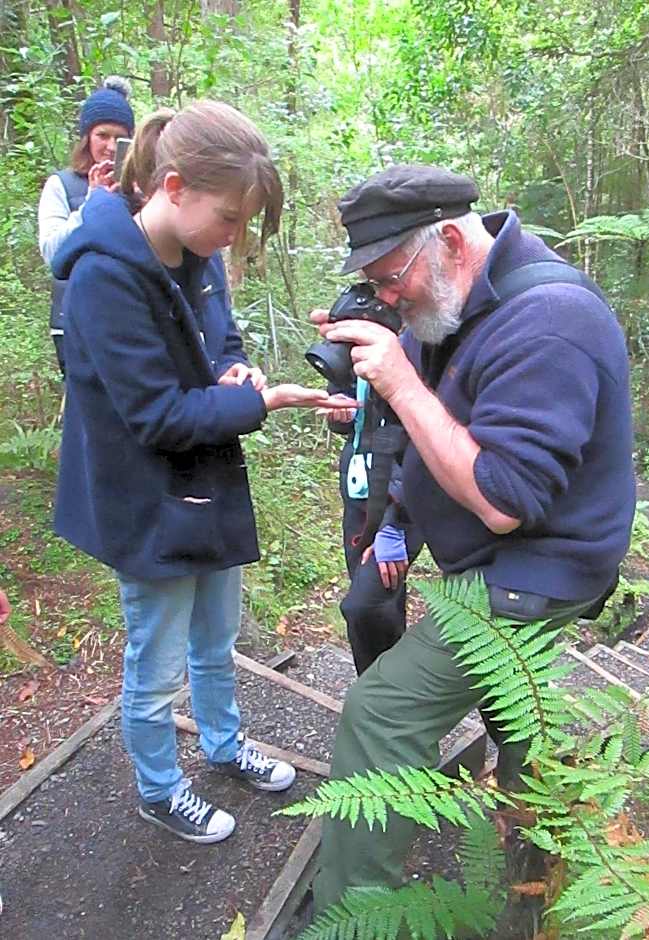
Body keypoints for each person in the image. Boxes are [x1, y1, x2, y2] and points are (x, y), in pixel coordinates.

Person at [310, 163, 636, 910]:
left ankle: (356, 914)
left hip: (534, 567)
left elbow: (502, 501)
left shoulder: (550, 320)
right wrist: (394, 522)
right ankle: (539, 833)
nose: (388, 299)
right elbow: (443, 424)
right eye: (375, 285)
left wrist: (397, 382)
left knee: (381, 713)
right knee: (511, 701)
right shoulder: (458, 303)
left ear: (449, 241)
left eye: (391, 279)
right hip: (491, 557)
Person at [50, 100, 356, 845]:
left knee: (216, 640)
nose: (234, 237)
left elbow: (221, 338)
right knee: (154, 661)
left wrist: (234, 369)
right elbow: (155, 416)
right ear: (175, 186)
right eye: (230, 218)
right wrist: (262, 403)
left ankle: (223, 746)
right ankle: (160, 787)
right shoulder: (102, 277)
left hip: (206, 486)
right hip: (145, 500)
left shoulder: (197, 256)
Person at [38, 76, 135, 373]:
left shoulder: (138, 189)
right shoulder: (61, 186)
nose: (108, 146)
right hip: (74, 321)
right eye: (101, 135)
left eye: (118, 137)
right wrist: (92, 203)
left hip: (128, 319)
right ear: (86, 137)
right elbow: (53, 252)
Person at [327, 381, 424, 675]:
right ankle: (382, 700)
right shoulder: (351, 350)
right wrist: (339, 412)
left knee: (364, 606)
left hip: (400, 500)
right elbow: (354, 426)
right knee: (384, 605)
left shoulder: (415, 344)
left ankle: (380, 700)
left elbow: (419, 435)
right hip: (360, 494)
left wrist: (395, 521)